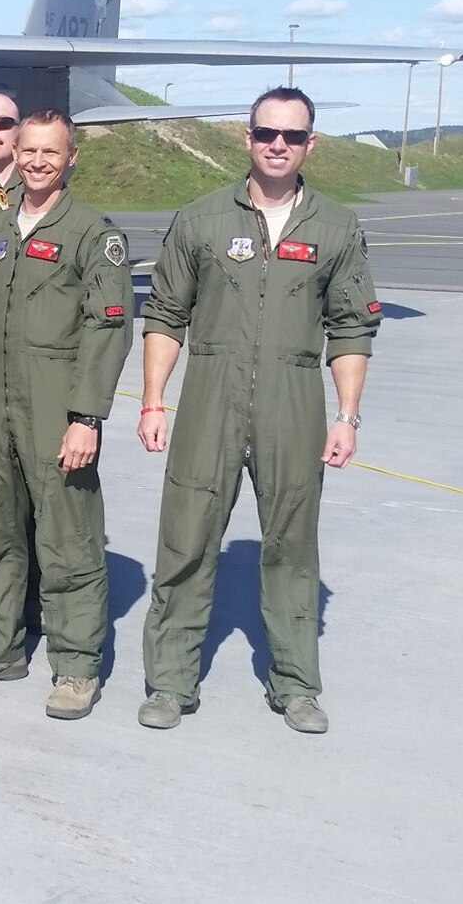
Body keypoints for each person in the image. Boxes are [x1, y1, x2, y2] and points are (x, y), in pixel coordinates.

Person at [136, 87, 381, 735]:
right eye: (267, 133)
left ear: (310, 144)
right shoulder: (202, 218)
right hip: (210, 395)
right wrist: (154, 400)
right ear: (247, 138)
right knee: (185, 538)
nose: (278, 144)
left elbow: (351, 327)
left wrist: (346, 416)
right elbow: (164, 312)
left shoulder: (335, 227)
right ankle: (169, 680)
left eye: (292, 136)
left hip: (293, 398)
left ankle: (296, 684)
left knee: (292, 547)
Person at [0, 109, 132, 719]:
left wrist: (87, 416)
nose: (36, 161)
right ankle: (2, 646)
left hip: (57, 407)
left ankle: (77, 665)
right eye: (28, 150)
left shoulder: (91, 233)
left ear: (71, 157)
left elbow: (107, 330)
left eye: (50, 153)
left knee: (69, 538)